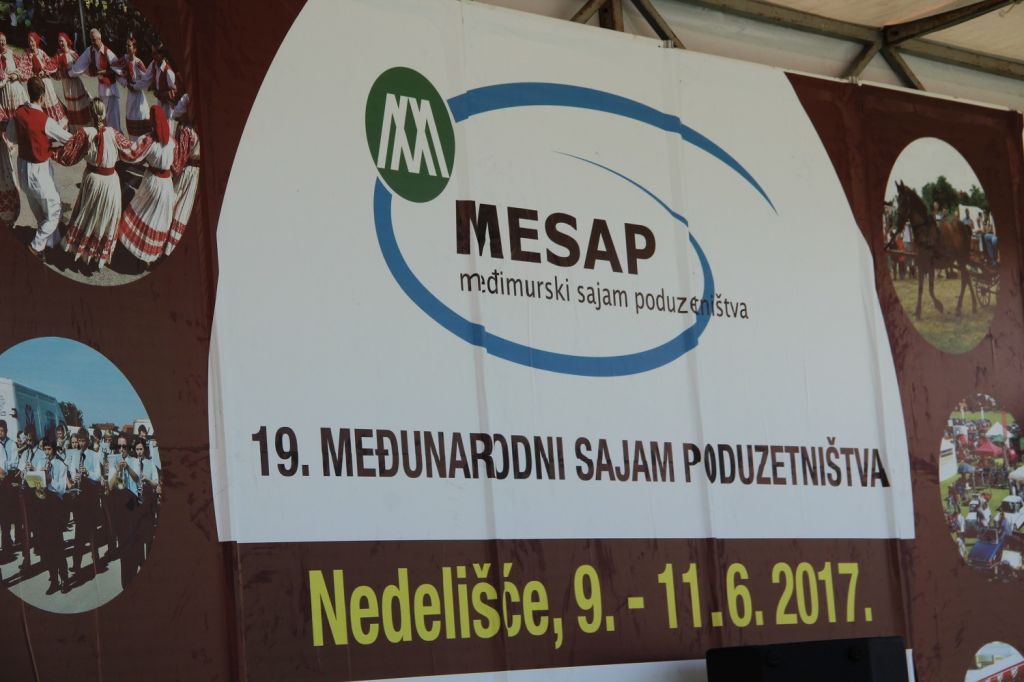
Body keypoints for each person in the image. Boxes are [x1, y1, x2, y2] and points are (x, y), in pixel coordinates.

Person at [55, 97, 149, 269]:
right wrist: (150, 141)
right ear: (104, 114)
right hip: (110, 183)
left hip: (92, 180)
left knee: (88, 213)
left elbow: (68, 156)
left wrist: (49, 151)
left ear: (90, 114)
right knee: (104, 217)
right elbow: (132, 152)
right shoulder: (114, 134)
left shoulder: (84, 133)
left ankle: (82, 250)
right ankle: (96, 255)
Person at [8, 76, 72, 258]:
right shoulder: (45, 120)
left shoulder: (18, 113)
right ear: (42, 96)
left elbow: (11, 137)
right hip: (39, 172)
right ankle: (35, 247)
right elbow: (68, 139)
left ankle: (49, 243)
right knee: (54, 210)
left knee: (39, 211)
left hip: (23, 169)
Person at [118, 105, 178, 266]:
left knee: (142, 210)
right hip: (167, 185)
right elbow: (176, 165)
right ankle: (148, 257)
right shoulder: (172, 142)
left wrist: (117, 144)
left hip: (153, 182)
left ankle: (135, 250)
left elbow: (132, 155)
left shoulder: (149, 140)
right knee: (156, 218)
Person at [70, 28, 123, 131]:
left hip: (110, 90)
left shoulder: (108, 53)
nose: (92, 42)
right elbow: (80, 63)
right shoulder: (90, 51)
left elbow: (118, 69)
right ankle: (106, 137)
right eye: (91, 40)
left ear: (100, 39)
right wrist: (71, 72)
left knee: (113, 119)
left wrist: (105, 72)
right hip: (101, 89)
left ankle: (117, 136)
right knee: (103, 117)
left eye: (94, 40)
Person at [108, 434, 142, 588]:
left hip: (132, 504)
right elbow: (110, 486)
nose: (121, 449)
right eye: (119, 446)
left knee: (132, 543)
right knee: (123, 543)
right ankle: (125, 582)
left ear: (128, 448)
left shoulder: (134, 461)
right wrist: (117, 470)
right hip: (119, 505)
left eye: (124, 446)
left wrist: (127, 467)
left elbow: (137, 479)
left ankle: (132, 575)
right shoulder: (113, 461)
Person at [37, 438, 70, 593]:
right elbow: (36, 485)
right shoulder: (40, 463)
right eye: (45, 449)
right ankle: (53, 580)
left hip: (56, 505)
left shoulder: (61, 465)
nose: (47, 452)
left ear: (54, 450)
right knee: (47, 546)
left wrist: (50, 480)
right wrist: (38, 478)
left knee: (57, 545)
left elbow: (62, 489)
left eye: (49, 449)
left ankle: (65, 579)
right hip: (43, 504)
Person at [69, 429, 105, 574]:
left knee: (92, 532)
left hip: (90, 496)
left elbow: (98, 476)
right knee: (79, 532)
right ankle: (76, 564)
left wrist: (87, 473)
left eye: (83, 441)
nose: (81, 444)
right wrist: (75, 476)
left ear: (88, 441)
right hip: (79, 496)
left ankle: (96, 562)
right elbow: (72, 471)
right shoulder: (75, 455)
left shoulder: (94, 455)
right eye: (79, 441)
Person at [168, 103, 199, 256]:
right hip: (196, 173)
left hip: (186, 171)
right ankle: (174, 246)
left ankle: (167, 244)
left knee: (175, 200)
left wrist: (170, 172)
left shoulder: (187, 131)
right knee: (185, 207)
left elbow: (179, 161)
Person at [20, 32, 67, 129]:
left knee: (52, 102)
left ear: (36, 41)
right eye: (29, 41)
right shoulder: (27, 54)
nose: (31, 44)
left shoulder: (41, 52)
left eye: (32, 41)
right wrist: (33, 75)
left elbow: (51, 64)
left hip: (47, 84)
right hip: (37, 85)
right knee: (42, 105)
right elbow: (23, 68)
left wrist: (45, 70)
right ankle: (47, 128)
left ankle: (60, 127)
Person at [53, 32, 89, 131]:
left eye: (62, 41)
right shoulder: (58, 55)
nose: (61, 43)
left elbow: (81, 68)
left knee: (79, 105)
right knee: (71, 106)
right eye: (59, 41)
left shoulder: (73, 54)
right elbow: (54, 69)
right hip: (66, 84)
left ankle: (85, 128)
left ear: (67, 41)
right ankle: (75, 129)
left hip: (75, 84)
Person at [118, 37, 149, 141]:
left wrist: (135, 86)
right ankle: (132, 143)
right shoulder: (124, 60)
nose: (127, 47)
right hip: (130, 96)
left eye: (129, 45)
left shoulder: (138, 62)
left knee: (140, 117)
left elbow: (146, 80)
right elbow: (115, 70)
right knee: (130, 117)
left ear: (135, 49)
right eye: (126, 45)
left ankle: (142, 144)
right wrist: (126, 82)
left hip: (138, 97)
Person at [141, 43, 176, 119]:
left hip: (168, 108)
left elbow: (175, 93)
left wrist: (162, 95)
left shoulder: (168, 72)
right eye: (152, 53)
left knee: (167, 126)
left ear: (161, 55)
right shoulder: (153, 64)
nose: (153, 56)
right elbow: (145, 78)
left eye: (155, 53)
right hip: (159, 103)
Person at [0, 419, 19, 558]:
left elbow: (14, 462)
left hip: (8, 480)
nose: (0, 433)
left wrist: (5, 467)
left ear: (6, 431)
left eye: (2, 430)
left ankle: (7, 541)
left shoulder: (12, 444)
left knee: (7, 512)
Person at [0, 32, 28, 121]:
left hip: (16, 87)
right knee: (10, 120)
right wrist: (4, 78)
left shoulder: (11, 53)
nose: (2, 43)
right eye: (0, 41)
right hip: (4, 91)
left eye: (3, 40)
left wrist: (16, 74)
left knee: (22, 115)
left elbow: (22, 65)